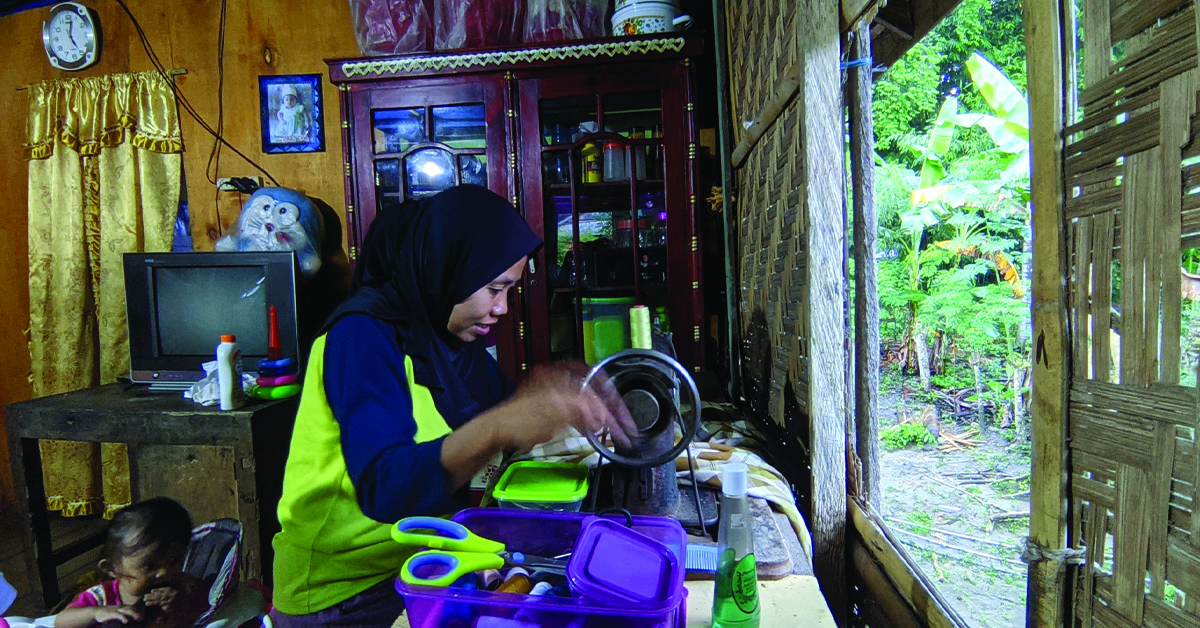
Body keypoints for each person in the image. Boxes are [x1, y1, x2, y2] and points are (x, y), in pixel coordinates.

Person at [270, 185, 637, 627]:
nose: (501, 308)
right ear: (449, 269)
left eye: (510, 291)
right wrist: (503, 424)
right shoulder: (360, 338)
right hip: (341, 595)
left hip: (416, 564)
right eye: (493, 289)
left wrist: (562, 399)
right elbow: (385, 489)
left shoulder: (448, 343)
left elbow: (513, 413)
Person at [53, 498, 207, 628]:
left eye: (175, 560)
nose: (164, 572)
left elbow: (208, 612)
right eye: (151, 566)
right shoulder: (102, 597)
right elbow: (60, 621)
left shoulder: (185, 586)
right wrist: (96, 613)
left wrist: (180, 608)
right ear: (112, 568)